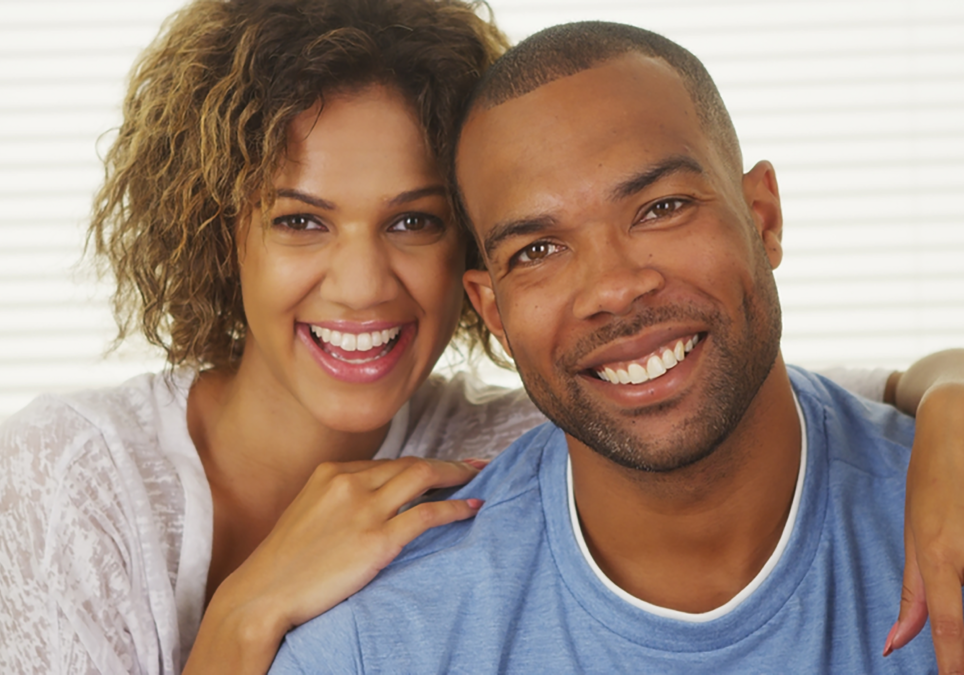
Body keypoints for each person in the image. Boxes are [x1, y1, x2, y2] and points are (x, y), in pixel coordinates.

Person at [0, 2, 960, 673]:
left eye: (414, 220)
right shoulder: (70, 479)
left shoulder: (515, 436)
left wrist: (952, 405)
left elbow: (740, 377)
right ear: (221, 234)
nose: (360, 282)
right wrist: (246, 619)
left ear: (473, 282)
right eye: (302, 220)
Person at [267, 21, 964, 674]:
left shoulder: (944, 504)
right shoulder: (373, 645)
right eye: (539, 248)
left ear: (764, 219)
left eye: (662, 208)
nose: (615, 288)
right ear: (493, 312)